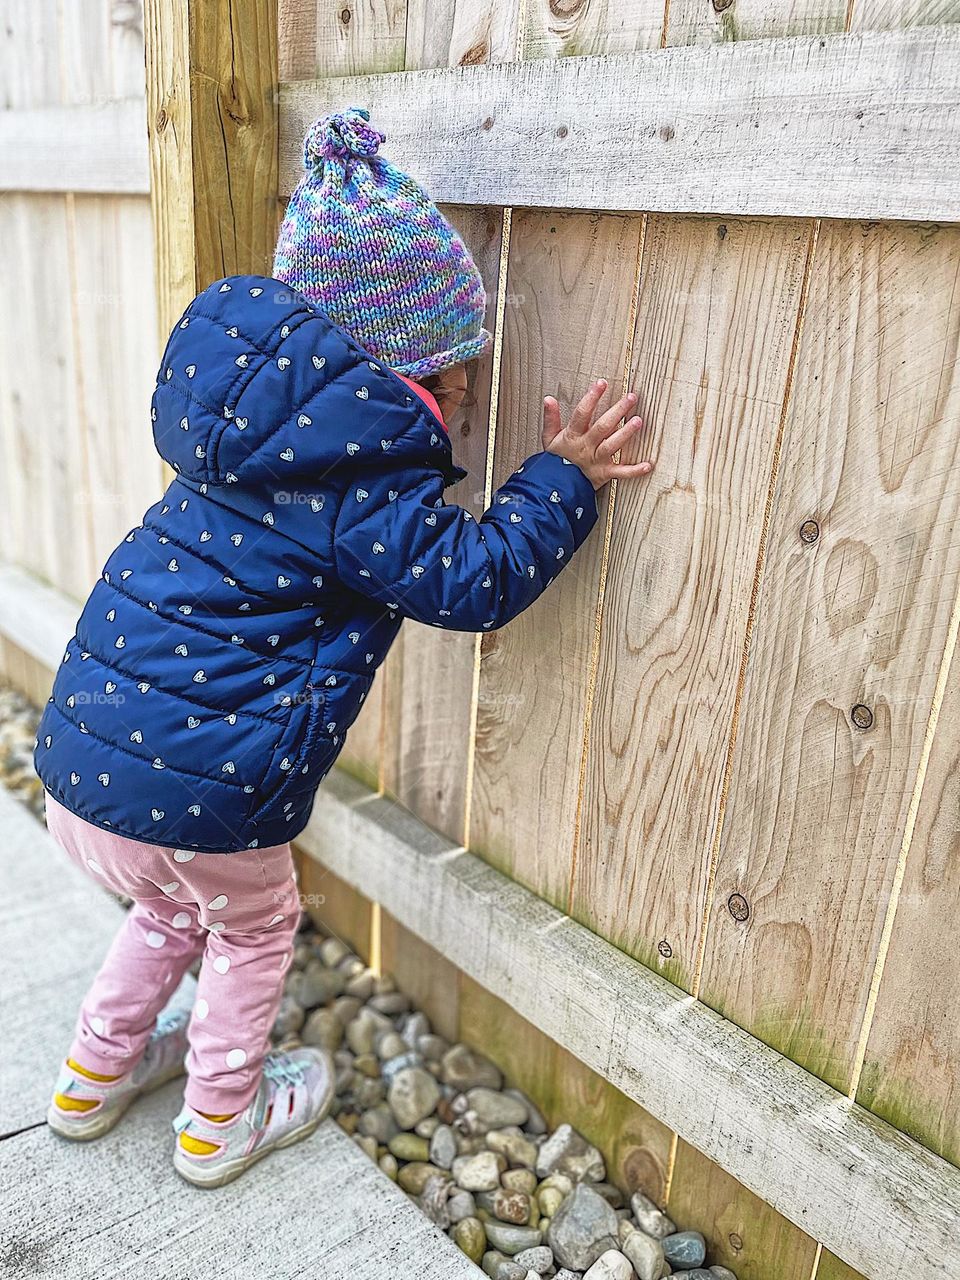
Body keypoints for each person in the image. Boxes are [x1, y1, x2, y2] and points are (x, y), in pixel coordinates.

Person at [34, 107, 654, 1187]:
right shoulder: (359, 484)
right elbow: (473, 579)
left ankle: (94, 1073)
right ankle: (220, 1117)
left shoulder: (236, 446)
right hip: (201, 798)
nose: (463, 411)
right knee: (255, 924)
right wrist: (561, 476)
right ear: (398, 377)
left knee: (172, 902)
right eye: (458, 381)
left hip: (83, 769)